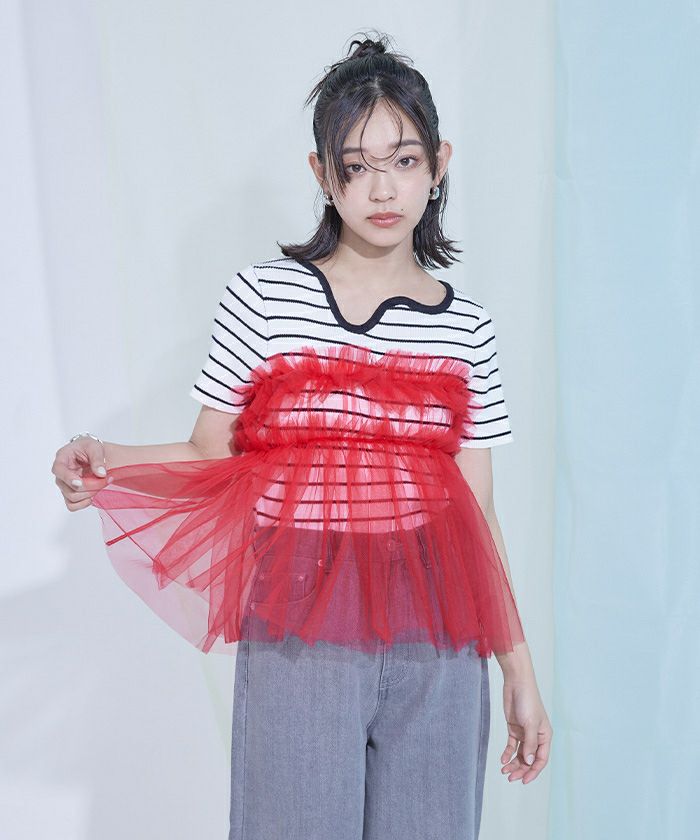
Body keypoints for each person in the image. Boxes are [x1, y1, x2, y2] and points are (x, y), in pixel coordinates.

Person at [52, 31, 552, 840]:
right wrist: (107, 460)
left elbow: (478, 511)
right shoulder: (264, 297)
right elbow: (209, 449)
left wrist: (518, 669)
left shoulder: (467, 327)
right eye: (355, 166)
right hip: (303, 612)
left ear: (440, 163)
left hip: (440, 631)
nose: (382, 188)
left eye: (404, 160)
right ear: (322, 174)